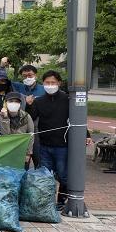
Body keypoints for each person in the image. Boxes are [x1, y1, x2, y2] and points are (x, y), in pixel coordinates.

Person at [26, 70, 93, 209]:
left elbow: (77, 119)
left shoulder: (67, 99)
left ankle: (62, 200)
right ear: (42, 83)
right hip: (44, 145)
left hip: (62, 145)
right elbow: (31, 117)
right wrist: (29, 105)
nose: (50, 85)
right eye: (47, 83)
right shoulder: (39, 101)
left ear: (59, 83)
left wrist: (86, 135)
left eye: (53, 82)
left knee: (63, 175)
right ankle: (45, 203)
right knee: (45, 176)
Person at [0, 92, 35, 168]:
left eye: (16, 101)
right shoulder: (0, 117)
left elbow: (31, 135)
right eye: (11, 101)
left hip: (23, 151)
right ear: (5, 103)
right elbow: (5, 136)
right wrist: (5, 118)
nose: (14, 103)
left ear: (20, 104)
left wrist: (28, 154)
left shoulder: (26, 116)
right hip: (7, 152)